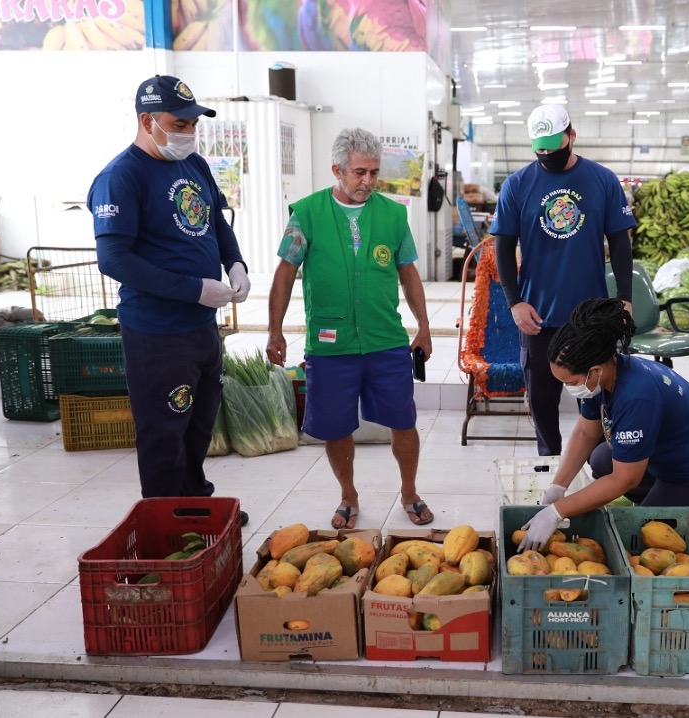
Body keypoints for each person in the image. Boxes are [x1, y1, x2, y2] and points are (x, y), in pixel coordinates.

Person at [87, 75, 251, 525]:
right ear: (147, 120)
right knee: (163, 434)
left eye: (192, 124)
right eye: (179, 124)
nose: (187, 133)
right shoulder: (122, 177)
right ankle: (165, 524)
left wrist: (235, 263)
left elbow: (216, 222)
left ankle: (196, 505)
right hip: (156, 333)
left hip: (200, 328)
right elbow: (114, 259)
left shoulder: (193, 164)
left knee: (199, 425)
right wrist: (194, 289)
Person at [518, 298, 689, 565]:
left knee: (645, 550)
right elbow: (585, 433)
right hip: (672, 460)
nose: (568, 389)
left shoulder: (636, 396)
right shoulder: (605, 373)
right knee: (602, 458)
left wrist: (557, 512)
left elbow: (623, 480)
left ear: (594, 371)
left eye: (570, 382)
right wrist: (558, 487)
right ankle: (655, 505)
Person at [266, 128, 434, 529]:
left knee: (403, 420)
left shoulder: (393, 215)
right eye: (360, 172)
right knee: (336, 424)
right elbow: (285, 275)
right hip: (330, 345)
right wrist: (275, 330)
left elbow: (408, 274)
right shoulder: (305, 214)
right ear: (337, 170)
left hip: (385, 340)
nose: (368, 182)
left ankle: (409, 491)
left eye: (374, 173)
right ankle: (348, 495)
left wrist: (424, 326)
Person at [492, 104, 636, 457]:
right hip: (538, 317)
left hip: (590, 317)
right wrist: (514, 302)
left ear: (571, 136)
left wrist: (625, 297)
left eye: (554, 148)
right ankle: (549, 462)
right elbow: (503, 247)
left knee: (597, 399)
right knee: (541, 399)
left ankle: (601, 465)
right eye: (540, 149)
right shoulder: (517, 185)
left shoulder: (602, 180)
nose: (547, 156)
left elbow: (620, 243)